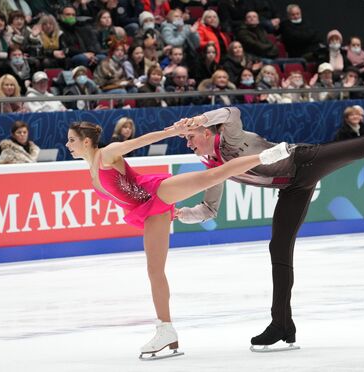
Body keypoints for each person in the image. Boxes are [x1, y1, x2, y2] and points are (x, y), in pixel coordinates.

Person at [175, 104, 364, 349]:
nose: (187, 143)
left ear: (204, 131)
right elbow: (208, 210)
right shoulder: (212, 166)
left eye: (190, 137)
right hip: (293, 187)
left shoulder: (227, 139)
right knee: (278, 247)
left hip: (304, 161)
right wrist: (180, 214)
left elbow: (232, 113)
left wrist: (201, 116)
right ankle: (282, 325)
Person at [65, 118, 292, 357]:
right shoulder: (92, 174)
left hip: (156, 191)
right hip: (148, 210)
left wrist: (173, 132)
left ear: (87, 141)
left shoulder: (106, 154)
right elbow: (122, 197)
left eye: (72, 140)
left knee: (211, 176)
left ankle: (268, 156)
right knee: (154, 271)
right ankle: (166, 330)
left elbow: (141, 141)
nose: (68, 145)